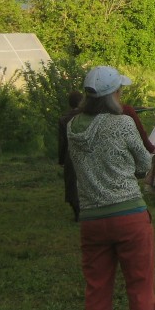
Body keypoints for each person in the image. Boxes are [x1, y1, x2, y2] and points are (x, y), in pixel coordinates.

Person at [65, 66, 155, 310]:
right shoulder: (123, 123)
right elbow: (144, 162)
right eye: (119, 91)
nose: (121, 96)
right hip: (129, 216)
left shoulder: (73, 127)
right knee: (140, 287)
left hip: (92, 219)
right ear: (112, 95)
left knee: (97, 291)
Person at [57, 90, 84, 222]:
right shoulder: (87, 116)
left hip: (70, 154)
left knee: (72, 184)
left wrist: (61, 159)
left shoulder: (64, 119)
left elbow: (62, 142)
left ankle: (77, 211)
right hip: (87, 153)